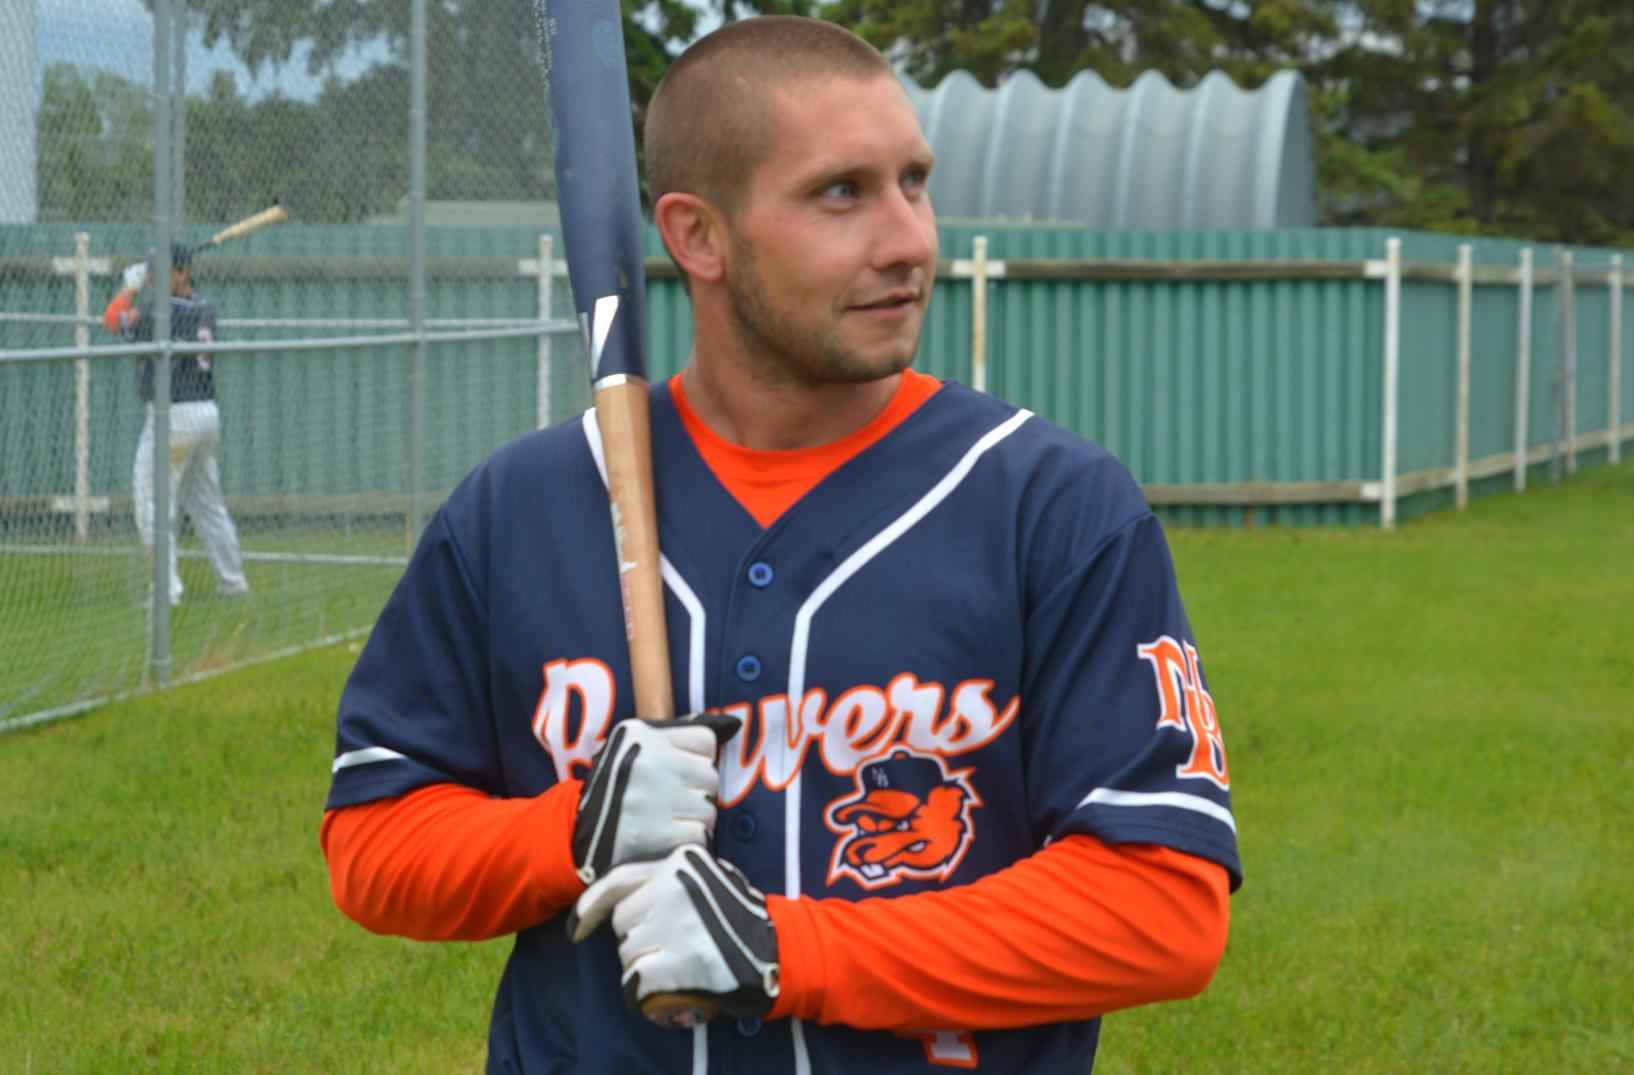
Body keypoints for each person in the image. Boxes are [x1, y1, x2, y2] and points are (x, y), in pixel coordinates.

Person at [324, 16, 1238, 1075]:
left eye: (913, 182)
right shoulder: (523, 506)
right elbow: (374, 841)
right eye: (842, 193)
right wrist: (570, 831)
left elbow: (1161, 905)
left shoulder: (1050, 504)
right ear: (697, 237)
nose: (908, 240)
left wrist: (782, 949)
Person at [105, 241, 249, 605]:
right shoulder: (205, 307)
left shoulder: (161, 311)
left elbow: (112, 318)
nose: (155, 278)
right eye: (152, 271)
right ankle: (233, 581)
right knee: (208, 505)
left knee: (151, 504)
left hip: (173, 417)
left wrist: (130, 286)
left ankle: (167, 590)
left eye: (164, 271)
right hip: (206, 415)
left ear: (183, 272)